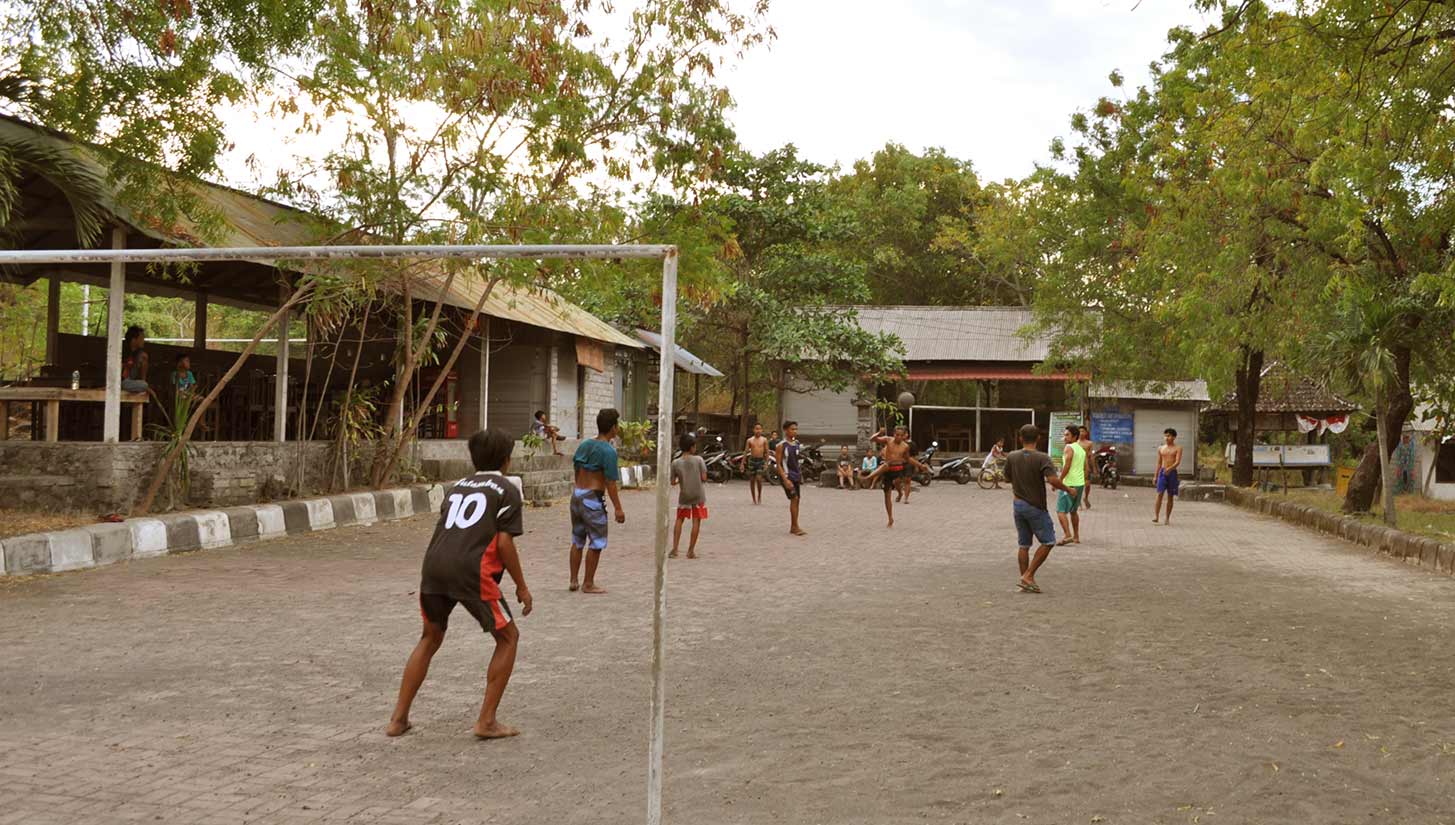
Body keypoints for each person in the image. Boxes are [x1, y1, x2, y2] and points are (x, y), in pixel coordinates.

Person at [386, 428, 532, 739]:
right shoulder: (507, 489)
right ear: (507, 459)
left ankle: (398, 719)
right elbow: (504, 544)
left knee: (429, 637)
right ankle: (487, 721)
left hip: (434, 565)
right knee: (508, 637)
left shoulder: (457, 488)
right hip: (471, 569)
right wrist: (521, 585)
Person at [1006, 423, 1073, 593]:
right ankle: (1028, 575)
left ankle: (1026, 582)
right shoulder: (1043, 458)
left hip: (1018, 504)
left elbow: (1007, 478)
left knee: (1024, 544)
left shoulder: (1012, 456)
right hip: (1035, 506)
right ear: (1038, 438)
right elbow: (1053, 480)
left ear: (1020, 438)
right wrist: (1068, 489)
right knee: (1049, 541)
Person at [569, 408, 626, 593]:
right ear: (613, 428)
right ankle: (588, 583)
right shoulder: (608, 451)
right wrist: (618, 508)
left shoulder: (585, 445)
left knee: (577, 539)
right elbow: (610, 482)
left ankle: (573, 580)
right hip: (593, 499)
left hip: (577, 495)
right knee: (596, 542)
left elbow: (577, 468)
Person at [866, 425, 926, 528]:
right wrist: (879, 433)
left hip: (898, 468)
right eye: (896, 435)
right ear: (894, 434)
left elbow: (908, 459)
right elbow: (872, 439)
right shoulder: (888, 440)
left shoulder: (905, 446)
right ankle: (890, 518)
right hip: (888, 469)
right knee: (887, 496)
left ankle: (901, 494)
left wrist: (919, 465)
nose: (898, 437)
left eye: (900, 435)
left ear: (904, 436)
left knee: (902, 481)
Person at [670, 434, 709, 559]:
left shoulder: (675, 463)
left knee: (679, 519)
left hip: (684, 495)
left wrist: (680, 481)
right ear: (692, 447)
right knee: (696, 521)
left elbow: (672, 481)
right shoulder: (699, 460)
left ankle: (675, 549)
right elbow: (704, 477)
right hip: (698, 494)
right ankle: (690, 551)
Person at [1055, 424, 1088, 545]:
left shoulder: (1069, 447)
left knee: (1060, 510)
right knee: (1073, 511)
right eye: (1064, 435)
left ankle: (1068, 535)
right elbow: (1084, 467)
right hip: (1079, 483)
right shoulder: (1081, 449)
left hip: (1069, 484)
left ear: (1074, 436)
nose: (1065, 437)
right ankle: (1076, 537)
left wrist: (1059, 481)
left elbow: (1067, 466)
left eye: (1067, 435)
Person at [776, 421, 806, 536]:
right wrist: (785, 479)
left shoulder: (797, 443)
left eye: (796, 429)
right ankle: (794, 526)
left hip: (796, 475)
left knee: (797, 500)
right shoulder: (781, 445)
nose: (795, 431)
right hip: (787, 475)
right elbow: (778, 464)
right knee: (794, 498)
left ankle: (794, 525)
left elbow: (797, 461)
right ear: (786, 430)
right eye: (792, 429)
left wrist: (800, 474)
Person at [1153, 428, 1184, 525]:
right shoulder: (1161, 448)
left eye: (1169, 436)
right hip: (1162, 472)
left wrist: (1169, 469)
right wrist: (1155, 476)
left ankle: (1167, 517)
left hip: (1172, 473)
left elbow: (1177, 462)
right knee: (1159, 494)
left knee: (1170, 496)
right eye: (1165, 435)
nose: (1167, 438)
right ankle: (1156, 516)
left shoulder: (1178, 448)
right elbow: (1158, 463)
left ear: (1174, 437)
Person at [742, 423, 769, 504]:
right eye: (756, 429)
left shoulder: (764, 440)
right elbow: (746, 451)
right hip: (752, 460)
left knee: (759, 479)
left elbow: (767, 452)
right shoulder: (750, 440)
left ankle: (759, 495)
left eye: (759, 429)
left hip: (760, 460)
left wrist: (766, 463)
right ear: (753, 430)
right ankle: (753, 498)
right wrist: (742, 463)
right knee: (752, 480)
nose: (758, 430)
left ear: (762, 430)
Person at [121, 325, 149, 392]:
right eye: (141, 338)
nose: (143, 341)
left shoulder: (140, 354)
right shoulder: (122, 351)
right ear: (133, 340)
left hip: (132, 382)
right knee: (144, 385)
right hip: (122, 382)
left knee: (143, 385)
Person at [1078, 426, 1096, 509]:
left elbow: (1091, 456)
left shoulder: (1089, 443)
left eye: (1083, 431)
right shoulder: (1075, 443)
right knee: (1078, 484)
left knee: (1087, 484)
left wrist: (1094, 468)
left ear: (1086, 433)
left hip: (1086, 466)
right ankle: (1077, 501)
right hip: (1077, 465)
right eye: (1080, 431)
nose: (1081, 433)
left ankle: (1086, 497)